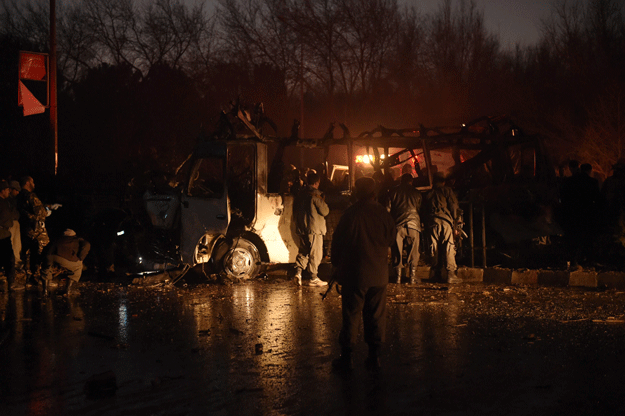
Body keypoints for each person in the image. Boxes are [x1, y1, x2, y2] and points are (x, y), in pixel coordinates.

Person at [331, 177, 396, 371]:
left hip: (355, 274)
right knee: (376, 316)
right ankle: (374, 357)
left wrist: (337, 266)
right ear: (374, 193)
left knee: (351, 315)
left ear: (356, 194)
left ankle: (347, 357)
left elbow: (337, 243)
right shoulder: (383, 214)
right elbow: (391, 238)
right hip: (378, 275)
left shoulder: (350, 214)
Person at [17, 176, 60, 281]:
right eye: (32, 182)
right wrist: (47, 211)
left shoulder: (19, 195)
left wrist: (48, 206)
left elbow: (33, 208)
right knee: (43, 250)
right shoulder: (31, 195)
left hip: (26, 228)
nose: (34, 184)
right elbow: (40, 212)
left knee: (27, 253)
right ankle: (40, 275)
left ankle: (28, 275)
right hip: (37, 229)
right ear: (27, 183)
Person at [422, 172, 461, 283]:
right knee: (449, 247)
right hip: (445, 222)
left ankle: (436, 273)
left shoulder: (428, 194)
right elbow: (454, 206)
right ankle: (451, 274)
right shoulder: (447, 190)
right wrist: (457, 222)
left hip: (432, 222)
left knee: (433, 247)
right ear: (443, 181)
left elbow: (423, 211)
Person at [293, 172, 330, 286]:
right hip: (314, 229)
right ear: (316, 183)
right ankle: (313, 278)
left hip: (302, 228)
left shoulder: (300, 194)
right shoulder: (315, 195)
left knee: (304, 252)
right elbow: (325, 211)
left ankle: (298, 273)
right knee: (316, 253)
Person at [386, 173, 423, 284]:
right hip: (413, 224)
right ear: (411, 181)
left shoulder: (392, 192)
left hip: (398, 225)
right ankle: (412, 277)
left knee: (397, 251)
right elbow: (419, 208)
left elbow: (387, 209)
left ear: (401, 180)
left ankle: (398, 277)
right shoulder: (417, 193)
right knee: (414, 251)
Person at [41, 229, 90, 295]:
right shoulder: (76, 239)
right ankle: (68, 290)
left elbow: (46, 249)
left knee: (47, 269)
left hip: (50, 256)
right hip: (65, 258)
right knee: (78, 267)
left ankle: (45, 291)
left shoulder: (57, 239)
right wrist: (81, 258)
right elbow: (87, 244)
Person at [0, 181, 19, 291]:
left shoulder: (6, 202)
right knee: (9, 258)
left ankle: (10, 281)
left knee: (7, 258)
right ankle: (11, 283)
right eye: (7, 189)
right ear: (2, 191)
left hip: (5, 233)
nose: (9, 191)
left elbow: (14, 214)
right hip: (2, 234)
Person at [8, 180, 22, 267]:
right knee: (10, 242)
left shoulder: (15, 199)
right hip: (10, 222)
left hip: (16, 221)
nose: (17, 192)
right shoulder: (6, 200)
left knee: (17, 242)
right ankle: (10, 261)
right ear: (11, 189)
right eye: (16, 190)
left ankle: (16, 260)